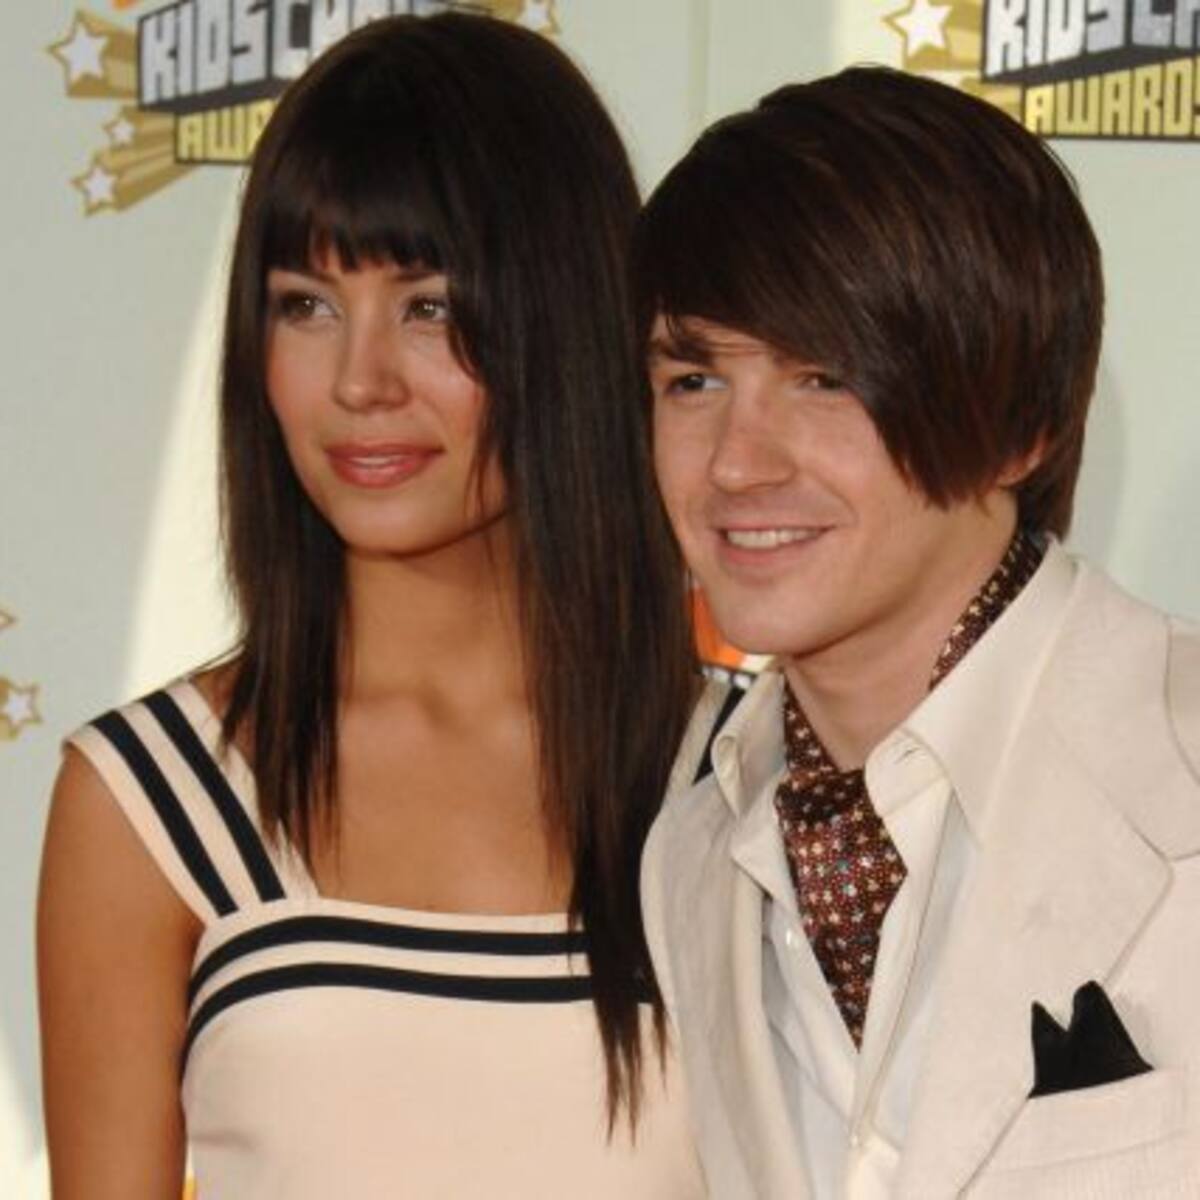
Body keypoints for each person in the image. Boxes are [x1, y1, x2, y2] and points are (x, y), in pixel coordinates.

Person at [38, 14, 703, 1199]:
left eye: (429, 306)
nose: (360, 380)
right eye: (306, 305)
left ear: (566, 321)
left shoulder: (744, 774)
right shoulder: (151, 802)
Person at [637, 66, 1200, 1198]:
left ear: (1020, 424)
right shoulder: (691, 855)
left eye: (824, 377)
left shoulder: (1176, 754)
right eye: (694, 380)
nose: (737, 463)